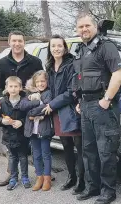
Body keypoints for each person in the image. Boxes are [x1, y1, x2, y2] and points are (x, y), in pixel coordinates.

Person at [74, 13, 121, 204]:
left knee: (105, 152)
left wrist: (106, 99)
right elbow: (81, 78)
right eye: (80, 27)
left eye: (87, 25)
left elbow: (117, 75)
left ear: (95, 27)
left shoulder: (106, 46)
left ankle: (108, 192)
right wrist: (80, 100)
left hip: (102, 106)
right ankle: (92, 187)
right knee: (89, 151)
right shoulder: (81, 50)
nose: (84, 29)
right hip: (85, 106)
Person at [0, 30, 43, 186]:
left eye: (20, 41)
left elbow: (41, 81)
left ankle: (41, 173)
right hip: (10, 108)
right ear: (9, 42)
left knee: (34, 141)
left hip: (29, 107)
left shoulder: (35, 61)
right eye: (14, 41)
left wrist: (39, 97)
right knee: (12, 144)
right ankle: (11, 174)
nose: (17, 44)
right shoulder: (2, 62)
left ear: (24, 42)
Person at [41, 35, 85, 195]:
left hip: (72, 110)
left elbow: (72, 91)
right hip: (58, 112)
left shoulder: (71, 64)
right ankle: (71, 177)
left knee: (79, 147)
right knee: (66, 146)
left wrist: (52, 104)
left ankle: (81, 181)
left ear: (65, 47)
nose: (56, 49)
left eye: (59, 46)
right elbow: (47, 89)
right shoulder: (50, 66)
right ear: (50, 48)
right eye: (53, 46)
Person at [0, 76, 31, 190]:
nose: (13, 89)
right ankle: (14, 178)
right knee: (12, 157)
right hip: (8, 136)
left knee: (23, 157)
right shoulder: (1, 102)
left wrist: (21, 122)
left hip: (22, 136)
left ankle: (25, 177)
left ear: (20, 88)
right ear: (6, 88)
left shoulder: (25, 101)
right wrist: (2, 121)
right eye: (11, 86)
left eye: (16, 86)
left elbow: (30, 116)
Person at [20, 70, 54, 191]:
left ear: (47, 82)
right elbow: (22, 106)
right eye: (38, 81)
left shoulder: (48, 93)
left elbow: (45, 107)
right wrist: (35, 102)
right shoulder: (28, 93)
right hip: (32, 130)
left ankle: (47, 178)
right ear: (34, 82)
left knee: (46, 154)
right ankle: (39, 177)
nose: (40, 84)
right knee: (36, 155)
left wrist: (32, 111)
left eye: (43, 81)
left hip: (44, 129)